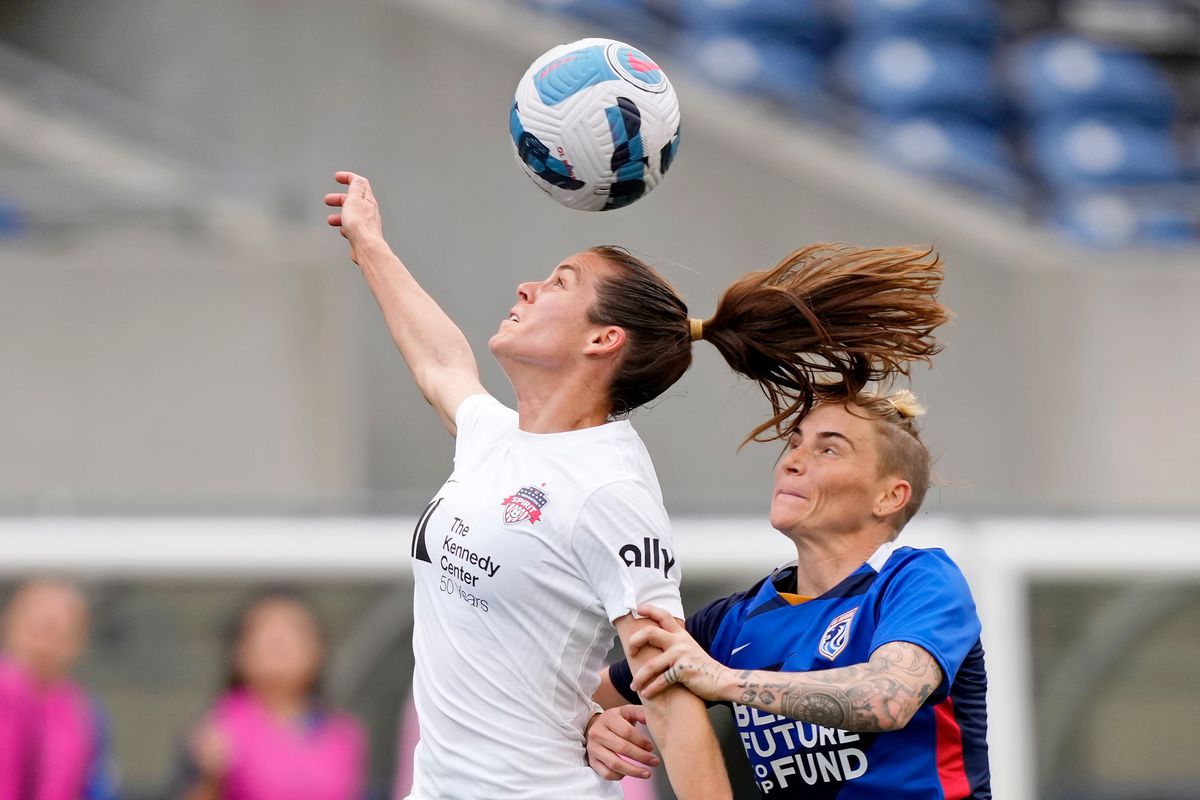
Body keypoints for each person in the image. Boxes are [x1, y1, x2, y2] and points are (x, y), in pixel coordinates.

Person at [324, 171, 948, 800]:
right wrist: (370, 243)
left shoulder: (610, 490)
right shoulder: (497, 439)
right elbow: (439, 363)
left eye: (559, 282)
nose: (526, 287)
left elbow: (672, 697)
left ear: (603, 339)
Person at [588, 391, 990, 799]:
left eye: (829, 449)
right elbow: (579, 693)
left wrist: (724, 680)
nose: (791, 462)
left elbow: (888, 699)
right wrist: (590, 722)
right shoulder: (734, 621)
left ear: (889, 496)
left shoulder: (917, 579)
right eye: (795, 444)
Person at [174, 590, 366, 800]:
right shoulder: (217, 729)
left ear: (319, 649)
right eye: (264, 634)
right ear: (240, 652)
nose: (278, 645)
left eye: (293, 633)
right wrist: (210, 778)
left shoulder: (344, 735)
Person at [0, 578, 119, 800]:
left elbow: (98, 789)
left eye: (55, 631)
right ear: (10, 626)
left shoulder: (86, 714)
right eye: (35, 629)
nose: (43, 644)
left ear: (78, 641)